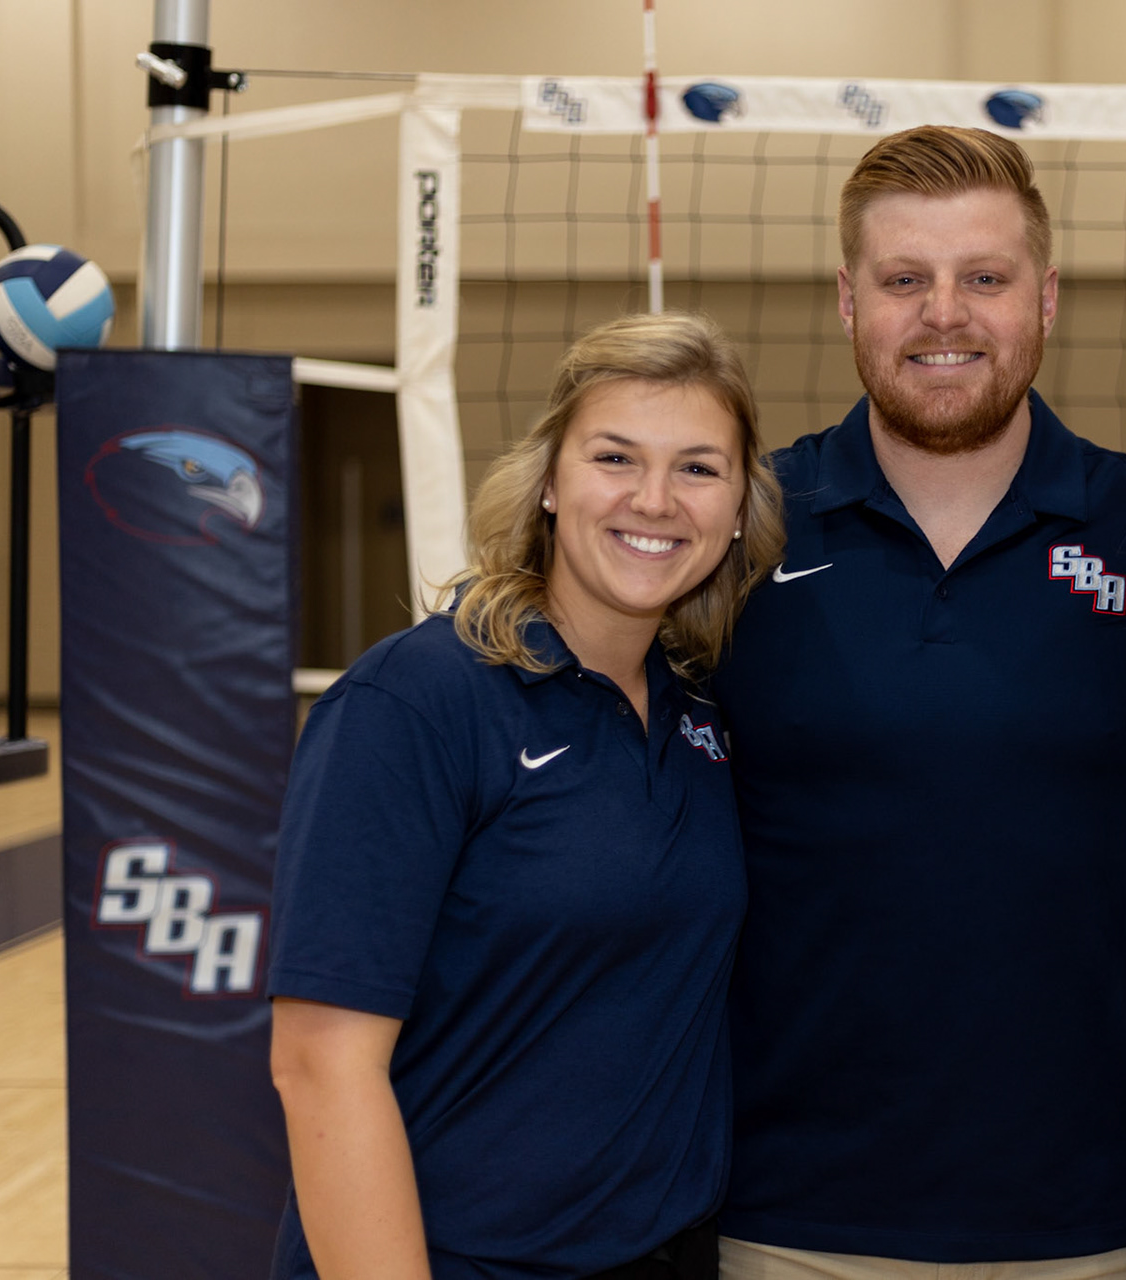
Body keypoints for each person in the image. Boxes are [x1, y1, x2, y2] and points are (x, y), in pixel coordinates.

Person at [707, 126, 1126, 1280]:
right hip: (789, 1216)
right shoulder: (737, 526)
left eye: (985, 276)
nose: (945, 314)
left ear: (1047, 295)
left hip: (1108, 1214)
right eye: (904, 279)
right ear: (847, 298)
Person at [266, 312, 784, 1280]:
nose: (656, 499)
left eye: (700, 467)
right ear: (551, 478)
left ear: (742, 505)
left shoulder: (704, 712)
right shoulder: (415, 702)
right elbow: (319, 1065)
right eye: (616, 456)